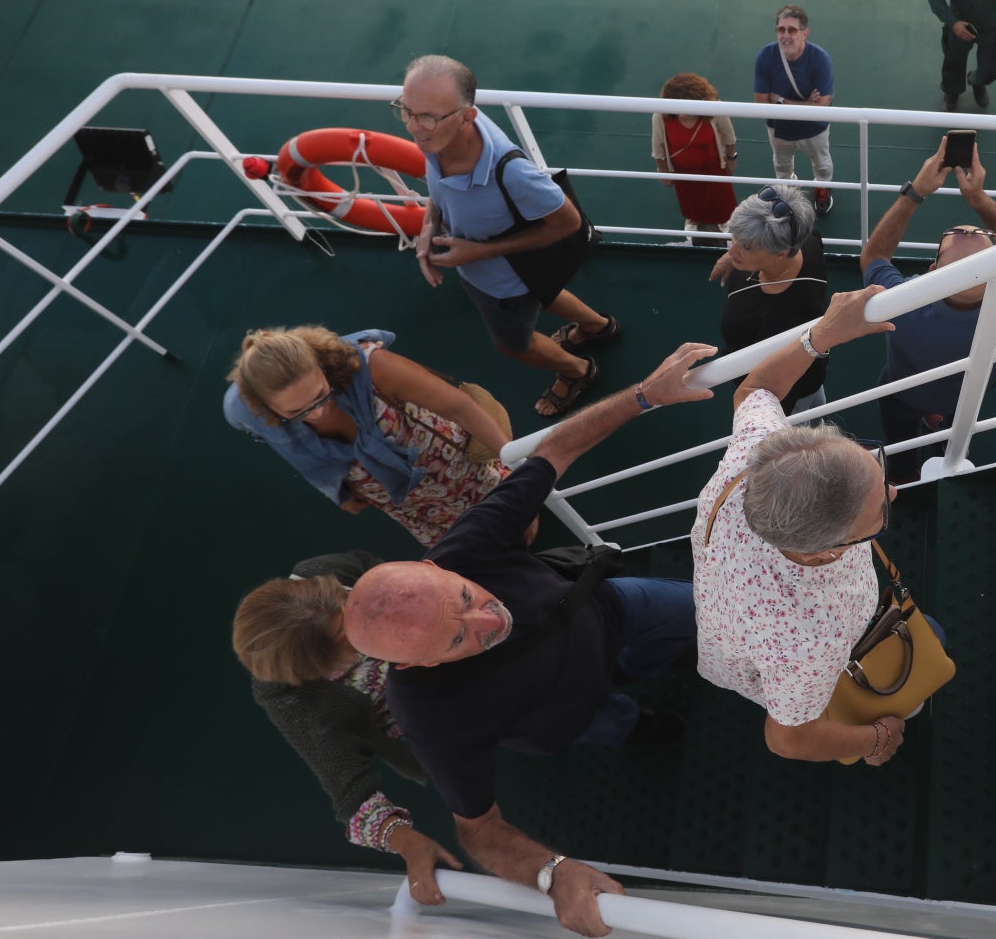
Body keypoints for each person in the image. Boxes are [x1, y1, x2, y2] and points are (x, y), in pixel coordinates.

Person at [342, 342, 713, 939]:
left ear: (441, 567)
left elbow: (554, 449)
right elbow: (478, 827)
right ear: (419, 665)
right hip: (568, 713)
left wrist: (647, 393)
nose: (489, 621)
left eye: (466, 598)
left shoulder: (464, 545)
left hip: (611, 610)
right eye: (458, 638)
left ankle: (675, 667)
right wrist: (552, 871)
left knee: (708, 612)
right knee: (622, 723)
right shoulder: (432, 718)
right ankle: (644, 725)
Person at [692, 286, 920, 765]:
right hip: (777, 658)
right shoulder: (811, 636)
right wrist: (878, 739)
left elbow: (756, 392)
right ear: (821, 552)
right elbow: (787, 738)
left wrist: (822, 336)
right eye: (879, 515)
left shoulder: (755, 458)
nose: (894, 494)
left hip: (729, 625)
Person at [231, 550, 462, 906]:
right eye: (347, 633)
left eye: (353, 604)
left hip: (462, 636)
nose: (362, 621)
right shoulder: (289, 694)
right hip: (448, 723)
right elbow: (351, 794)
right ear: (319, 666)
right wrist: (407, 843)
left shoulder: (328, 572)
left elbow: (422, 580)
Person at [403, 55, 622, 419]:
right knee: (545, 293)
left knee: (514, 344)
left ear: (467, 117)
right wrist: (429, 227)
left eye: (426, 116)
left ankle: (578, 371)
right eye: (406, 111)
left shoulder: (514, 172)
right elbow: (438, 187)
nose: (413, 127)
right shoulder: (439, 136)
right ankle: (598, 327)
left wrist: (478, 252)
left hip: (502, 283)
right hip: (527, 273)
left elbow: (568, 221)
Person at [223, 326, 514, 547]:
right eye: (297, 412)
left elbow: (461, 407)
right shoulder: (246, 412)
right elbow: (292, 451)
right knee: (466, 545)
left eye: (321, 396)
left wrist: (517, 461)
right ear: (266, 408)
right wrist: (340, 493)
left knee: (518, 519)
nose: (317, 414)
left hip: (457, 467)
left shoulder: (371, 366)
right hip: (404, 501)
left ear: (323, 367)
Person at [860, 137, 996, 480]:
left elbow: (874, 257)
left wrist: (916, 191)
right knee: (959, 413)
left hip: (906, 389)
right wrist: (979, 199)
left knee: (898, 436)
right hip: (975, 385)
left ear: (931, 273)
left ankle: (903, 475)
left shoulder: (903, 305)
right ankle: (948, 438)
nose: (967, 229)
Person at [709, 185, 831, 416]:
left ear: (780, 254)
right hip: (814, 375)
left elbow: (781, 381)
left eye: (745, 246)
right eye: (735, 237)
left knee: (801, 423)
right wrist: (733, 257)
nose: (732, 250)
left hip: (787, 394)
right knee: (816, 405)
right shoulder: (803, 239)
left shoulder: (785, 315)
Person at [753, 5, 836, 216]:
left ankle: (822, 188)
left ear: (805, 33)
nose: (786, 36)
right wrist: (808, 104)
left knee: (822, 165)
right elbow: (762, 103)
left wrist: (780, 100)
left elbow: (822, 106)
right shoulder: (766, 56)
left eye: (792, 30)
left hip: (814, 128)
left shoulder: (820, 60)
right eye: (781, 30)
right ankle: (787, 192)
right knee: (781, 167)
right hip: (779, 129)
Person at [650, 72, 739, 241]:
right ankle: (694, 219)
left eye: (688, 109)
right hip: (682, 170)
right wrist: (663, 172)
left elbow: (729, 136)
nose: (682, 114)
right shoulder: (661, 115)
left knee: (722, 200)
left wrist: (731, 157)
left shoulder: (714, 108)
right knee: (690, 200)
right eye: (678, 108)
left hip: (713, 167)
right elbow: (658, 147)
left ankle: (725, 222)